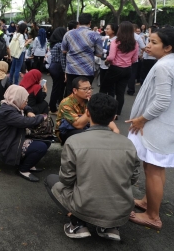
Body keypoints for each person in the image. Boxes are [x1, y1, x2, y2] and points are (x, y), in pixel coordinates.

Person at [45, 93, 138, 241]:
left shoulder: (74, 141)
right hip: (121, 210)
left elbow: (66, 179)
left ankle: (77, 223)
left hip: (85, 206)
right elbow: (132, 179)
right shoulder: (129, 144)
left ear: (87, 113)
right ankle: (110, 227)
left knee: (52, 180)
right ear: (114, 117)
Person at [126, 27, 174, 230]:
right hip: (166, 127)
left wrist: (142, 119)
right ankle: (148, 202)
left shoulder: (164, 66)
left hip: (159, 127)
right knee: (154, 168)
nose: (148, 45)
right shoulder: (172, 62)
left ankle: (152, 215)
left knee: (153, 170)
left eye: (154, 42)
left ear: (168, 47)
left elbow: (162, 101)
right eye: (149, 41)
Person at [0, 85, 49, 182]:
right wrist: (41, 117)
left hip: (15, 138)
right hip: (7, 144)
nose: (26, 102)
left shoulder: (12, 104)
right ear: (17, 99)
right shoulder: (7, 112)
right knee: (41, 147)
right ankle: (23, 169)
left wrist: (29, 111)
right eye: (24, 100)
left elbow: (26, 106)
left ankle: (29, 164)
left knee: (47, 141)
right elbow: (25, 122)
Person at [56, 77, 119, 145]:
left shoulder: (90, 99)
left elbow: (102, 116)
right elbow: (78, 125)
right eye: (85, 89)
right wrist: (90, 108)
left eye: (90, 88)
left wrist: (115, 129)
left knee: (103, 131)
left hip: (85, 127)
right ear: (75, 90)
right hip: (67, 131)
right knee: (88, 135)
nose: (89, 91)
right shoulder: (66, 103)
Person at [100, 21, 138, 119]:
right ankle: (116, 113)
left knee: (104, 88)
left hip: (115, 69)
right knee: (120, 93)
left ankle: (101, 108)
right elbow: (134, 59)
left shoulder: (116, 42)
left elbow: (111, 57)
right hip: (127, 69)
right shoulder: (134, 43)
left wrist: (107, 60)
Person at [62, 13, 103, 96]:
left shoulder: (68, 34)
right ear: (90, 23)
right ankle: (83, 109)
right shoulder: (96, 35)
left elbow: (63, 50)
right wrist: (89, 51)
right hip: (87, 69)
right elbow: (99, 54)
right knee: (85, 93)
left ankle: (68, 109)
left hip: (71, 68)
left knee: (70, 92)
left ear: (78, 22)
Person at [47, 27, 67, 114]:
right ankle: (53, 108)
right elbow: (62, 59)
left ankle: (53, 105)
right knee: (57, 88)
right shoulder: (60, 44)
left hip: (53, 65)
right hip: (59, 67)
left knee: (56, 87)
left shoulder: (53, 44)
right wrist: (65, 71)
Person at [98, 24, 117, 91]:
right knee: (102, 84)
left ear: (113, 31)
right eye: (106, 28)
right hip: (103, 63)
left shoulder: (116, 40)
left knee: (111, 86)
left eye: (108, 29)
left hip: (111, 65)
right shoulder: (105, 38)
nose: (106, 30)